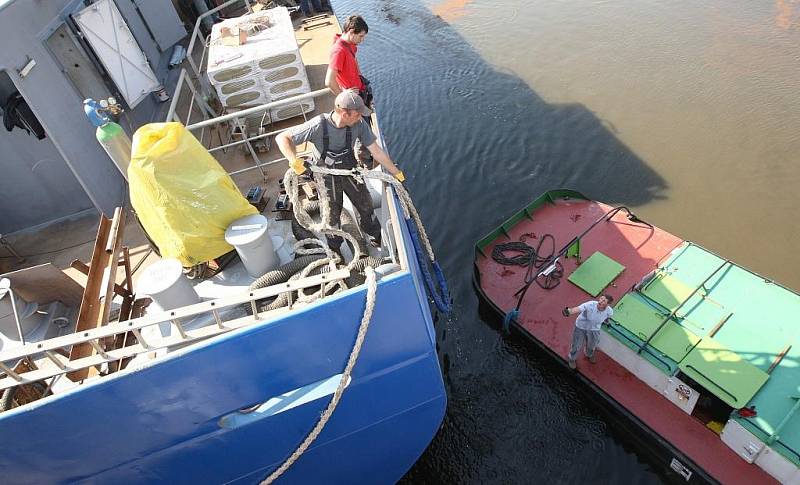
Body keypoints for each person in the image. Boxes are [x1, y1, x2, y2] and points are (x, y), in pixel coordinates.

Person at [275, 89, 405, 252]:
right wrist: (294, 161)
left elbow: (376, 150)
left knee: (365, 204)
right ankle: (335, 250)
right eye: (357, 114)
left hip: (349, 170)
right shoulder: (318, 125)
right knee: (332, 215)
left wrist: (395, 172)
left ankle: (374, 237)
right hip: (326, 177)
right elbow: (282, 138)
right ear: (344, 114)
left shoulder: (358, 125)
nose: (360, 118)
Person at [325, 15, 374, 166]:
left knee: (365, 124)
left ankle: (368, 154)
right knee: (361, 128)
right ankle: (365, 161)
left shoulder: (349, 45)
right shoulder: (339, 51)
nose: (362, 40)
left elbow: (354, 60)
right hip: (352, 99)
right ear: (351, 31)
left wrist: (359, 77)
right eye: (360, 36)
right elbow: (328, 81)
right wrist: (344, 96)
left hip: (359, 92)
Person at [562, 294, 615, 369]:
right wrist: (569, 311)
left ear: (607, 304)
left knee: (592, 344)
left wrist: (606, 321)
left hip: (594, 329)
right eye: (601, 299)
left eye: (604, 301)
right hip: (581, 327)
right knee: (576, 345)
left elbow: (607, 317)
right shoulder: (590, 304)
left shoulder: (609, 311)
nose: (600, 301)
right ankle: (572, 359)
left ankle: (589, 354)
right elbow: (578, 308)